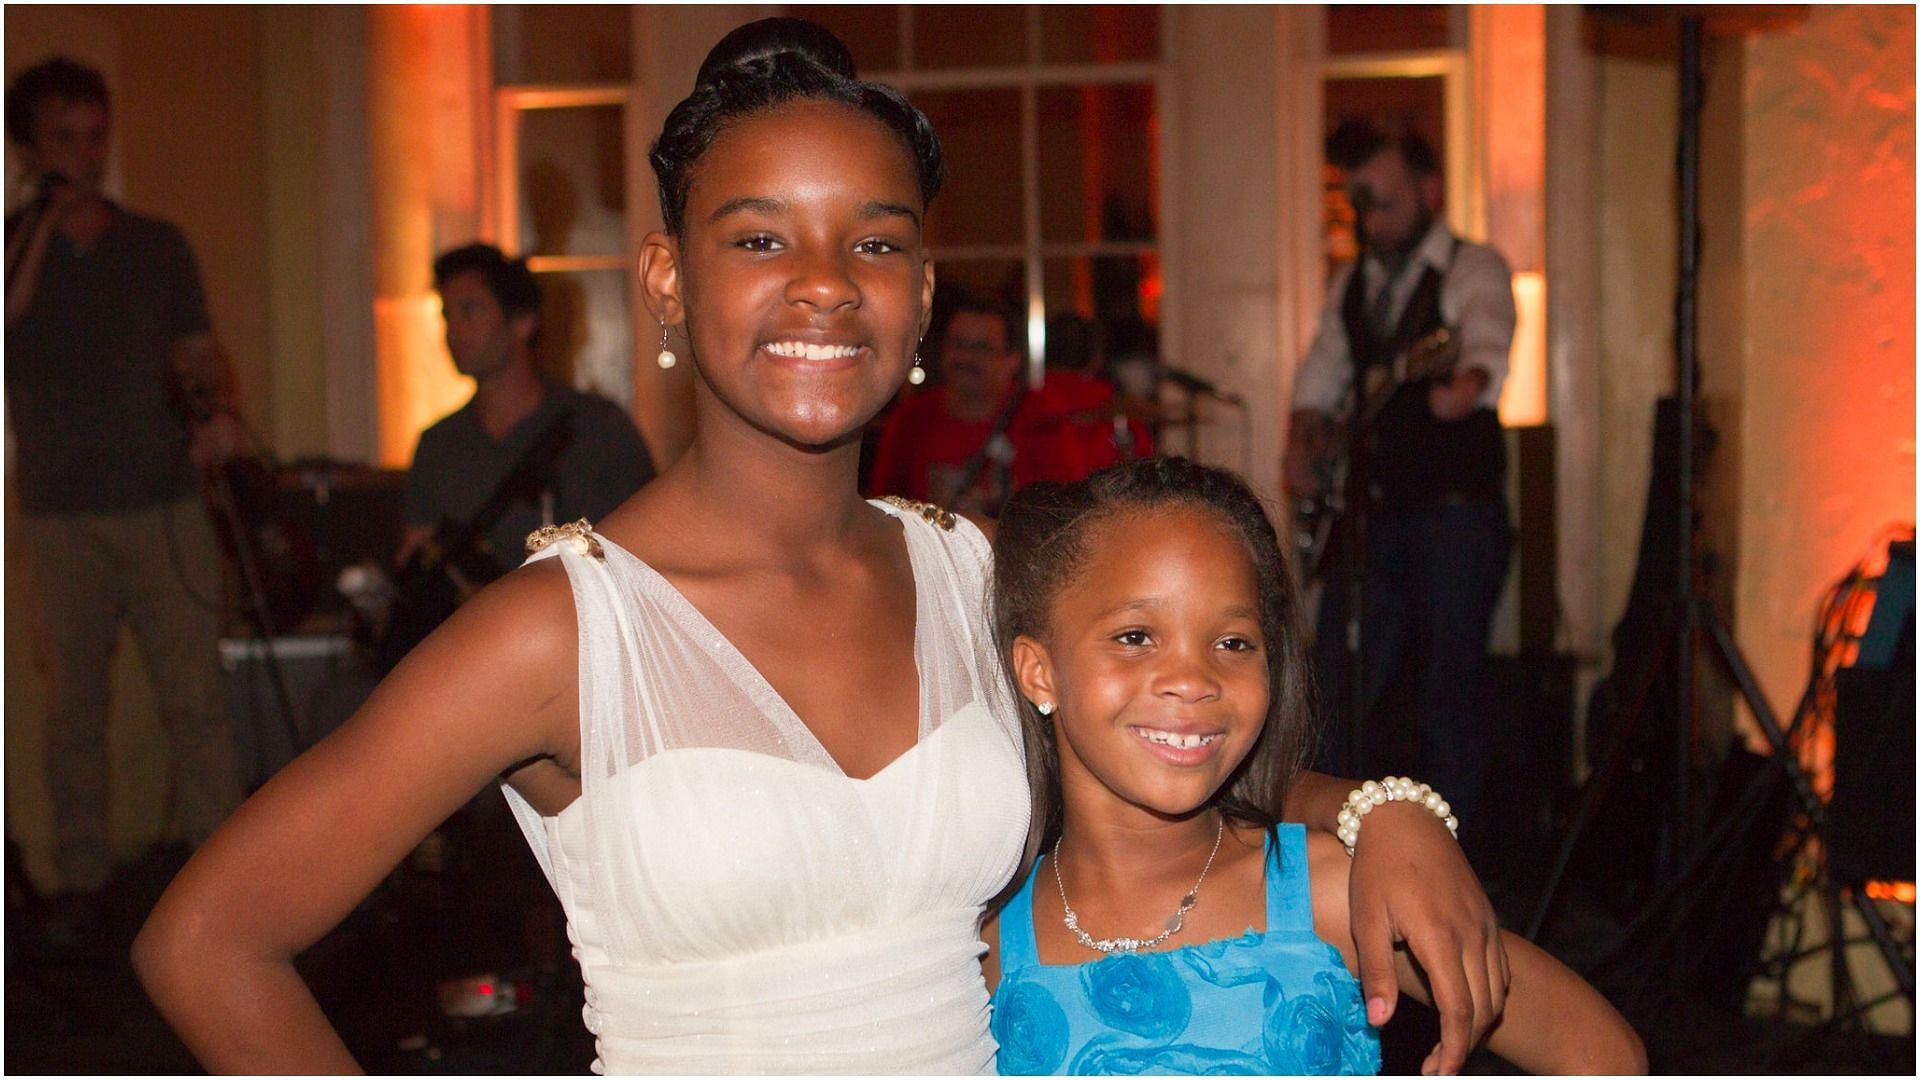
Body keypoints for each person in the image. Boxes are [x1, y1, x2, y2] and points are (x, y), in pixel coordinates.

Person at [135, 20, 1508, 1074]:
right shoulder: (566, 629)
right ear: (669, 279)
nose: (821, 286)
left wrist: (1393, 814)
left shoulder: (967, 573)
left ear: (917, 297)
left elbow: (1183, 754)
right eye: (757, 237)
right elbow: (208, 941)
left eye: (873, 242)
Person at [985, 458, 1646, 1075]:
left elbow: (1599, 1050)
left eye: (1233, 642)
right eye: (1135, 637)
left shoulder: (1330, 890)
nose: (1193, 679)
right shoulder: (988, 940)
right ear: (1039, 671)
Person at [4, 56, 245, 915]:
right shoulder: (14, 246)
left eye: (96, 135)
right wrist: (38, 216)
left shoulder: (156, 243)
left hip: (163, 502)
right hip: (60, 514)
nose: (86, 153)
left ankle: (227, 889)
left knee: (195, 698)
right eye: (64, 138)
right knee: (73, 712)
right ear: (28, 148)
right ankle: (81, 887)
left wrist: (218, 414)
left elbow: (198, 352)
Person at [1282, 127, 1517, 836]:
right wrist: (1303, 437)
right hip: (1371, 519)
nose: (1371, 219)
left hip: (1453, 515)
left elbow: (1485, 332)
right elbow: (1322, 374)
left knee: (1448, 691)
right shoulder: (1355, 285)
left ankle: (1452, 869)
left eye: (1383, 201)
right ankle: (1326, 851)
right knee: (1339, 687)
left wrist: (1467, 383)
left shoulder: (1472, 267)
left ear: (1429, 191)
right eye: (1360, 205)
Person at [402, 242, 655, 580]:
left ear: (522, 321)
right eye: (447, 316)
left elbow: (650, 551)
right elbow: (420, 563)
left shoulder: (598, 429)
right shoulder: (439, 445)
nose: (453, 332)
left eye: (471, 311)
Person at [868, 291, 1147, 517]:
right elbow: (884, 509)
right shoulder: (912, 419)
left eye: (981, 349)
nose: (965, 358)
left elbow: (1063, 510)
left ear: (1012, 361)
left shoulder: (1038, 413)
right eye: (957, 344)